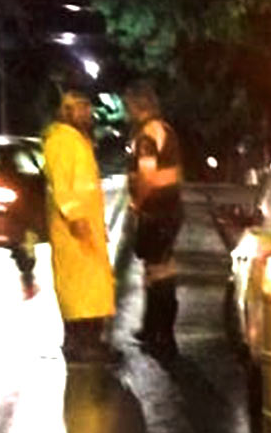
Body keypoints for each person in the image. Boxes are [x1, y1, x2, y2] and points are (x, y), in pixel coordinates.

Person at [43, 90, 119, 363]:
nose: (88, 113)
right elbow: (62, 186)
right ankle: (80, 343)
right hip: (74, 229)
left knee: (92, 286)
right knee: (80, 288)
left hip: (86, 228)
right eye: (81, 108)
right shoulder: (62, 141)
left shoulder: (77, 140)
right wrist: (75, 218)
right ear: (66, 111)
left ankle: (90, 342)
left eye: (88, 108)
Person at [124, 81, 184, 360]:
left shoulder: (147, 135)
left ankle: (162, 336)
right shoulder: (166, 129)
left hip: (156, 211)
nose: (126, 111)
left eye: (128, 106)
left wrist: (137, 202)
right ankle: (152, 330)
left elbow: (147, 175)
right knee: (157, 270)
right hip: (169, 210)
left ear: (138, 105)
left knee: (159, 272)